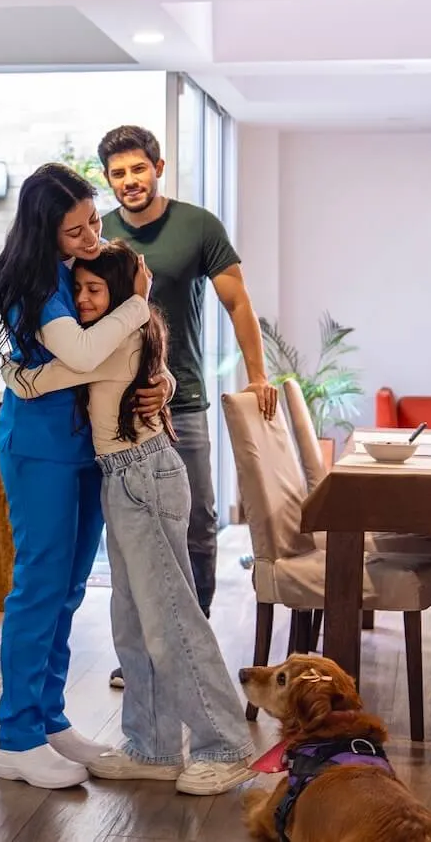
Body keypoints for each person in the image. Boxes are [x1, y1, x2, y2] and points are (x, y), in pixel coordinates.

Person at [2, 241, 255, 794]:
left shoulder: (117, 337)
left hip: (144, 477)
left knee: (171, 620)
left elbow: (35, 380)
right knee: (134, 622)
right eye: (79, 289)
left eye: (95, 290)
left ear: (119, 293)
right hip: (123, 479)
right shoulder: (118, 332)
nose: (82, 300)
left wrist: (16, 371)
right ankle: (153, 746)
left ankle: (226, 744)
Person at [0, 163, 171, 790]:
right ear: (44, 232)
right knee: (39, 587)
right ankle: (17, 739)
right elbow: (87, 353)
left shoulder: (80, 271)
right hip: (40, 451)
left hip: (86, 447)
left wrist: (160, 380)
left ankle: (49, 719)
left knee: (68, 589)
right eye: (75, 230)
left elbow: (121, 354)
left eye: (93, 221)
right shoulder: (31, 286)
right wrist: (138, 302)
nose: (92, 237)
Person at [97, 125, 277, 689]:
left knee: (196, 522)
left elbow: (237, 302)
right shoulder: (100, 234)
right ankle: (141, 653)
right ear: (108, 179)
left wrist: (257, 375)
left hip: (185, 400)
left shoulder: (198, 226)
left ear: (158, 168)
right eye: (118, 173)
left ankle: (189, 647)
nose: (129, 180)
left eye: (138, 169)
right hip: (114, 404)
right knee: (130, 530)